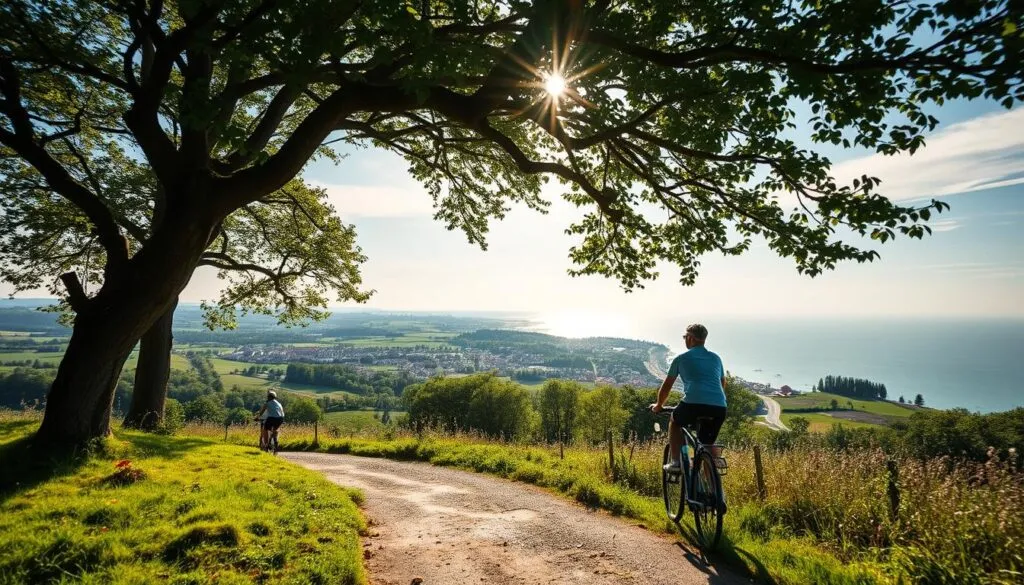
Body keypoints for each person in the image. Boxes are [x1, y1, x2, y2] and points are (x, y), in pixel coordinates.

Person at [650, 323, 727, 471]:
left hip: (693, 404)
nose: (685, 339)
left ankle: (676, 462)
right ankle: (714, 490)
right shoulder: (716, 358)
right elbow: (722, 382)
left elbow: (666, 387)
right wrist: (715, 399)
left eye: (685, 336)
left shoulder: (681, 359)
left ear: (691, 339)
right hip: (719, 408)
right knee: (706, 446)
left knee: (675, 421)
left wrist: (659, 405)